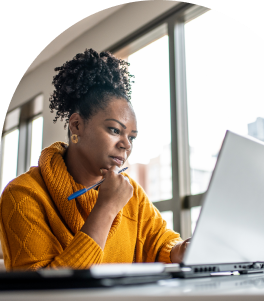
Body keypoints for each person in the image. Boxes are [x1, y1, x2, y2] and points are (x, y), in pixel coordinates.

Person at [0, 49, 190, 271]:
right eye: (114, 130)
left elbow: (161, 244)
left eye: (131, 137)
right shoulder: (22, 195)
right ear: (77, 126)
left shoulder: (132, 193)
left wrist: (181, 249)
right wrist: (106, 208)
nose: (126, 144)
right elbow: (43, 293)